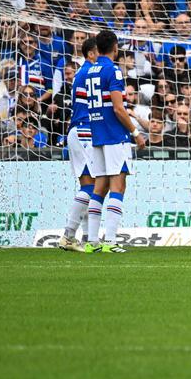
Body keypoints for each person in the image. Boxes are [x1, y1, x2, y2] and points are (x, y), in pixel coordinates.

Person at [84, 30, 147, 254]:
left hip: (97, 132)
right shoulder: (113, 71)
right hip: (114, 134)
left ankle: (92, 241)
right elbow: (118, 108)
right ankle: (110, 241)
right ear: (115, 47)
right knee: (118, 185)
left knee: (99, 186)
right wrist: (135, 132)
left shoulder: (90, 70)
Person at [57, 37, 98, 252]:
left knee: (88, 187)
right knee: (91, 186)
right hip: (84, 130)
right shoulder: (89, 73)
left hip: (79, 130)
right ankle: (68, 235)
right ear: (91, 54)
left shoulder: (83, 73)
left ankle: (85, 237)